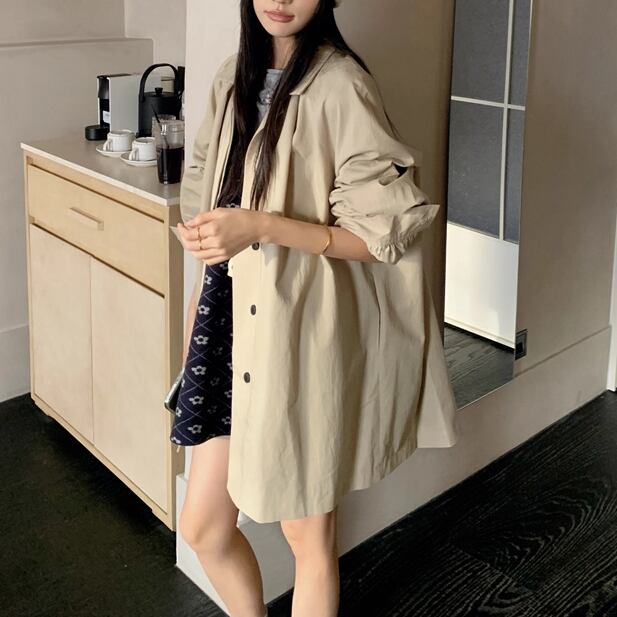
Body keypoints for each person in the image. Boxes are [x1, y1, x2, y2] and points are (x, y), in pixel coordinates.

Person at [172, 1, 460, 615]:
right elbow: (203, 186)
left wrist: (261, 226)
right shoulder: (232, 77)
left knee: (307, 536)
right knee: (204, 527)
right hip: (227, 318)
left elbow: (380, 236)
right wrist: (200, 292)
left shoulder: (342, 86)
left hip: (296, 330)